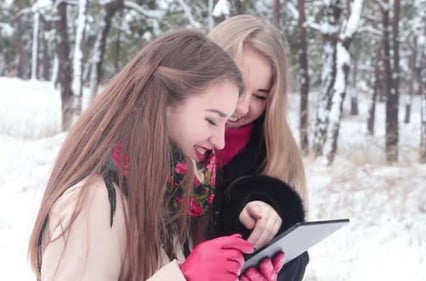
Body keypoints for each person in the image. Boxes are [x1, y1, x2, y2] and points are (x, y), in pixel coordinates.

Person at [27, 29, 281, 281]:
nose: (221, 141)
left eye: (225, 123)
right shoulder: (96, 202)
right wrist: (184, 278)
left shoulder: (174, 197)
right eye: (211, 120)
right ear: (164, 104)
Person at [207, 15, 310, 281]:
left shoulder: (276, 150)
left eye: (260, 96)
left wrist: (275, 267)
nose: (241, 107)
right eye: (237, 86)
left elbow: (296, 257)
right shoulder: (166, 135)